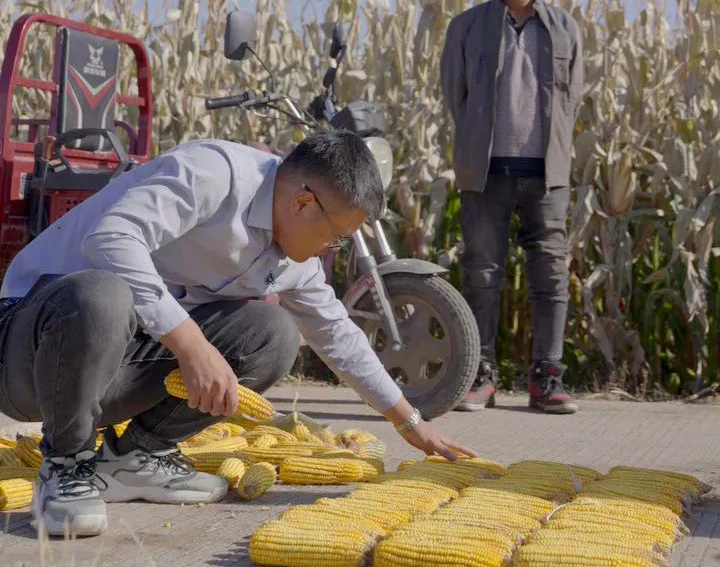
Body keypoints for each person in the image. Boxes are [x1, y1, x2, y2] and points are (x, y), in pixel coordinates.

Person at [0, 131, 474, 537]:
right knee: (103, 293)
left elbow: (339, 336)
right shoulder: (215, 174)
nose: (333, 249)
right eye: (337, 237)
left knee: (272, 335)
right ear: (303, 203)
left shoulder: (293, 260)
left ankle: (133, 458)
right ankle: (65, 465)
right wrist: (190, 342)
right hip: (30, 352)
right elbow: (111, 239)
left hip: (115, 369)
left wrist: (412, 424)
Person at [440, 0, 584, 414]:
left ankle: (547, 378)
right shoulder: (467, 27)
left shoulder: (564, 28)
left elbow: (571, 99)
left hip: (546, 174)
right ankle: (479, 374)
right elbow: (456, 96)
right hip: (486, 172)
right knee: (481, 274)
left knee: (551, 276)